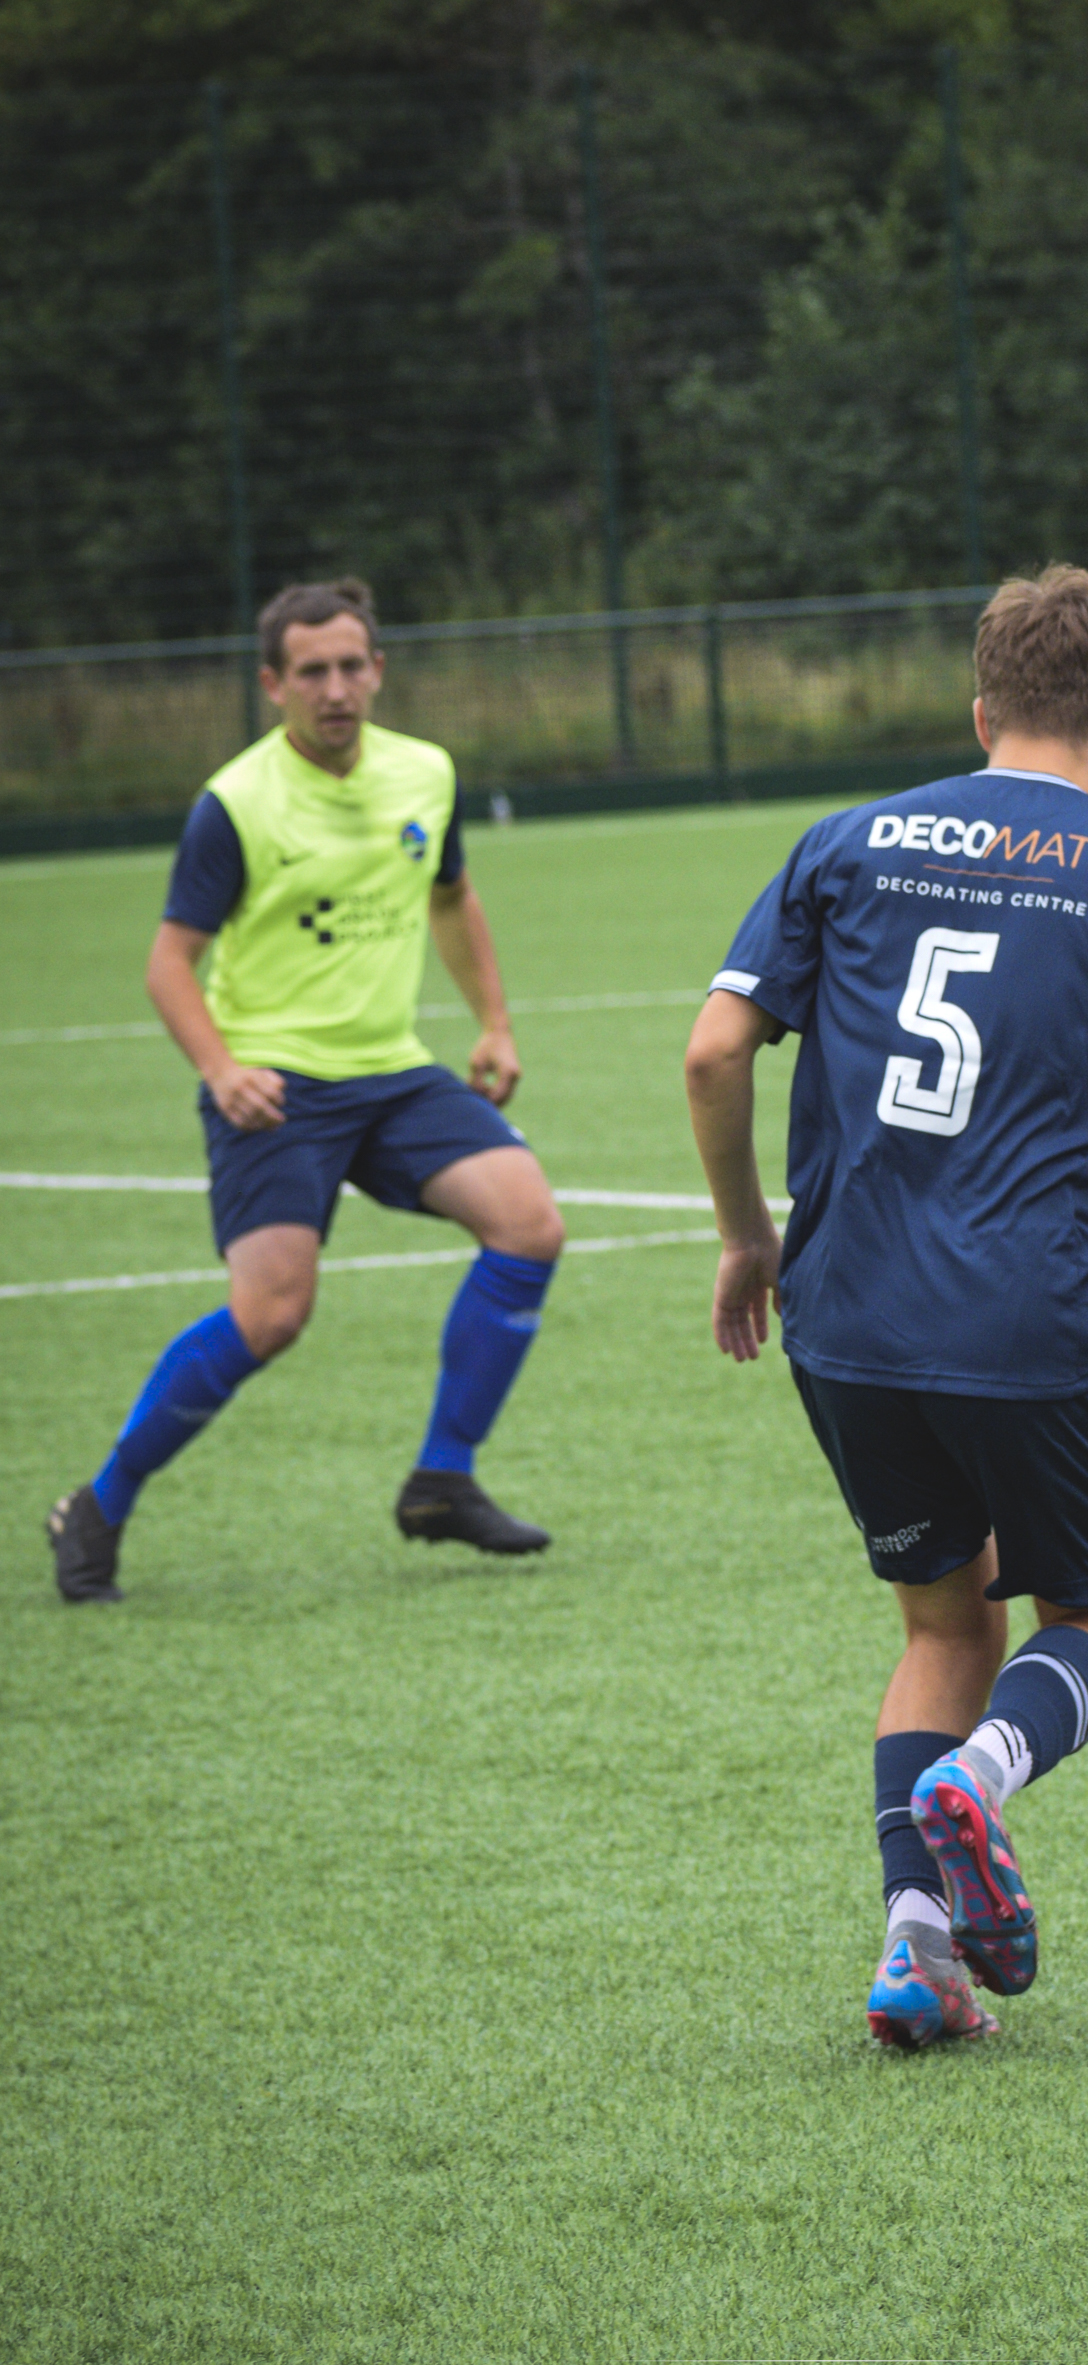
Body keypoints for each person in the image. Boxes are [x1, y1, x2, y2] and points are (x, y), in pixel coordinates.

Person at [684, 565, 1088, 2048]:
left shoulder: (842, 843)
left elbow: (716, 1052)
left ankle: (917, 1949)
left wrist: (743, 1240)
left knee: (938, 1618)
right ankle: (978, 1781)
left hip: (841, 1318)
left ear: (979, 712)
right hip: (1034, 1320)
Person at [47, 576, 565, 1603]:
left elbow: (453, 898)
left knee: (529, 1224)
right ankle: (100, 1501)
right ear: (272, 683)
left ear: (377, 670)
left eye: (351, 666)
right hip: (275, 1081)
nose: (335, 688)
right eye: (312, 671)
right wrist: (221, 1068)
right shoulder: (235, 804)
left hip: (391, 1069)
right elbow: (167, 963)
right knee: (273, 1312)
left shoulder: (426, 771)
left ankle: (440, 1481)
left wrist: (493, 1021)